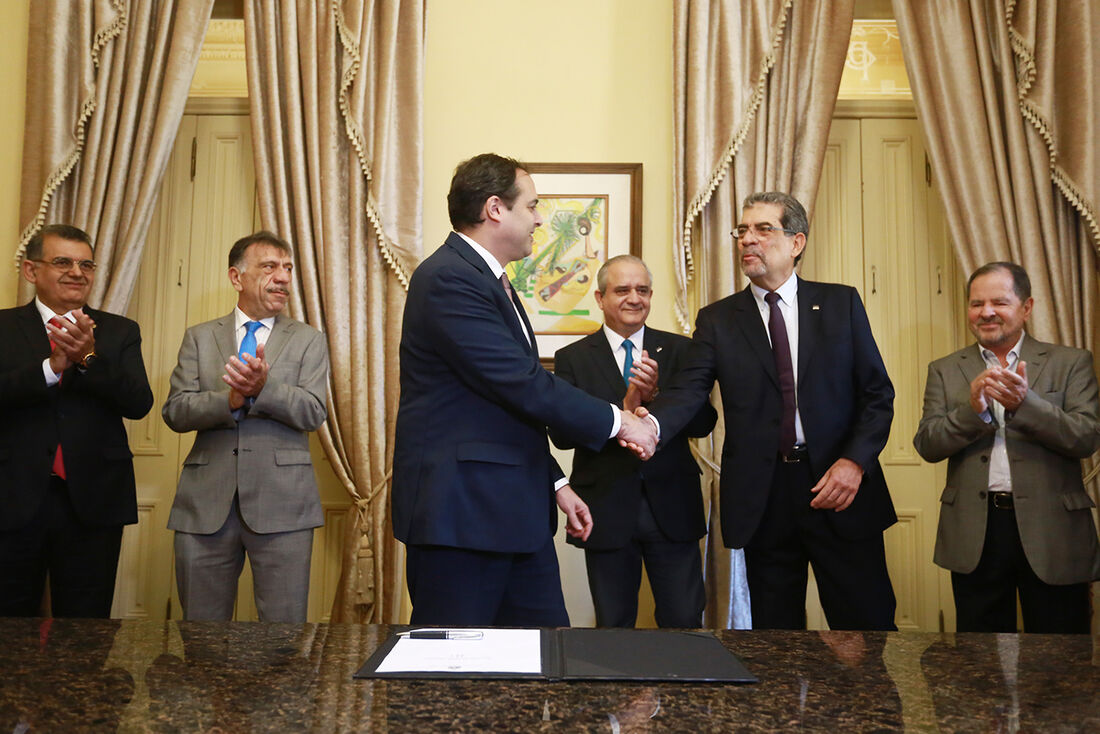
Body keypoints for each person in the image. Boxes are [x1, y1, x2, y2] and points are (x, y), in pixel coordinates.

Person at [392, 153, 658, 627]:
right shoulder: (449, 279)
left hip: (512, 513)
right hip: (463, 519)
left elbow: (500, 405)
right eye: (532, 206)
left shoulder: (490, 280)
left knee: (539, 662)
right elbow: (521, 382)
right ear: (495, 208)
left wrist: (554, 482)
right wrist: (622, 422)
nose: (539, 218)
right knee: (455, 683)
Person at [641, 191, 897, 630]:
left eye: (763, 229)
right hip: (764, 495)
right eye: (742, 230)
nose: (747, 240)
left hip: (839, 488)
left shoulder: (840, 304)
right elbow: (689, 391)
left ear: (796, 243)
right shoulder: (719, 319)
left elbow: (877, 395)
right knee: (775, 641)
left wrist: (854, 463)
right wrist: (649, 422)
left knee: (866, 629)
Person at [913, 262, 1100, 633]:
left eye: (999, 302)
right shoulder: (946, 369)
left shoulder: (1070, 362)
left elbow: (1086, 437)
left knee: (1060, 654)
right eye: (976, 303)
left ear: (1026, 307)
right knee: (978, 657)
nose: (986, 312)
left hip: (1054, 529)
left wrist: (1024, 405)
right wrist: (973, 411)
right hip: (976, 531)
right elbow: (928, 445)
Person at [162, 231, 330, 623]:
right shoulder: (200, 338)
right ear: (236, 277)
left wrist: (264, 389)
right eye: (270, 267)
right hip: (204, 507)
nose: (284, 277)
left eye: (288, 268)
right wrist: (230, 400)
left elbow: (313, 411)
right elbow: (176, 411)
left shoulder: (309, 340)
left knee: (283, 639)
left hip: (284, 507)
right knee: (201, 635)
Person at [550, 254, 716, 628]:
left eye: (642, 290)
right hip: (606, 510)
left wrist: (657, 397)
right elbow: (560, 435)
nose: (634, 298)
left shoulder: (681, 350)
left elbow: (704, 423)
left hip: (672, 508)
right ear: (600, 298)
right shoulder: (572, 358)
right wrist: (620, 414)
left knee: (684, 620)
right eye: (622, 290)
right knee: (613, 625)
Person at [0, 224, 153, 618]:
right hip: (13, 497)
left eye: (86, 264)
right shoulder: (3, 328)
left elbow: (139, 403)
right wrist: (51, 367)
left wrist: (88, 359)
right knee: (9, 626)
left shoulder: (119, 331)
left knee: (86, 628)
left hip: (94, 499)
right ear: (32, 271)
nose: (77, 272)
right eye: (63, 262)